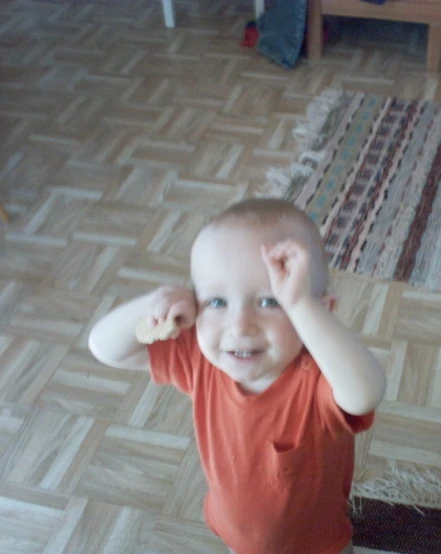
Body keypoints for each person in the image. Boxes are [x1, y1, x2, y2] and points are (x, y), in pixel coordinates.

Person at [88, 198, 387, 554]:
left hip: (318, 544)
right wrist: (154, 303)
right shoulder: (202, 362)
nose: (240, 326)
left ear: (319, 314)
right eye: (216, 302)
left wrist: (302, 306)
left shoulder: (319, 377)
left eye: (270, 301)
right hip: (237, 536)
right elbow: (105, 347)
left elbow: (365, 392)